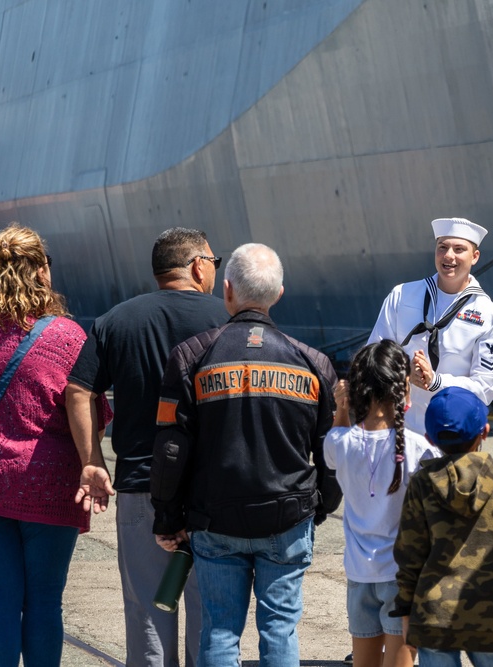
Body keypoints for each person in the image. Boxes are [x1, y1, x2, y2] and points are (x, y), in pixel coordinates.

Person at [150, 243, 341, 665]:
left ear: (228, 289)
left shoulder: (190, 357)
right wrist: (322, 506)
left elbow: (170, 447)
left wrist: (167, 515)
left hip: (215, 518)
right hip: (289, 517)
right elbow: (331, 450)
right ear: (279, 293)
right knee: (279, 629)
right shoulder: (314, 364)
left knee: (219, 630)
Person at [65, 227, 229, 666]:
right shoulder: (226, 320)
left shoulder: (116, 320)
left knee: (147, 614)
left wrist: (92, 461)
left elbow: (79, 391)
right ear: (197, 266)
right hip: (212, 492)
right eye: (214, 262)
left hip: (141, 485)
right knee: (212, 615)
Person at [0, 224, 111, 666]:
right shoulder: (68, 338)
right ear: (41, 272)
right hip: (50, 487)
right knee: (45, 600)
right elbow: (94, 414)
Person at [391, 386, 493, 667]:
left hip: (433, 617)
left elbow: (409, 555)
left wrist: (407, 613)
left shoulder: (422, 485)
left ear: (429, 438)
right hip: (492, 620)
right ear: (485, 430)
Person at [324, 340, 441, 667]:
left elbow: (332, 448)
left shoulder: (340, 443)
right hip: (402, 576)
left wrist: (341, 410)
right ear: (404, 387)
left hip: (360, 576)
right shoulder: (419, 449)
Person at [368, 217, 493, 433]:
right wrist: (405, 375)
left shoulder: (490, 316)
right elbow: (373, 359)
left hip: (452, 435)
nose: (449, 256)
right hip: (398, 431)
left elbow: (485, 388)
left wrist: (436, 382)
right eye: (442, 247)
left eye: (459, 249)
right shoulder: (401, 296)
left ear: (475, 257)